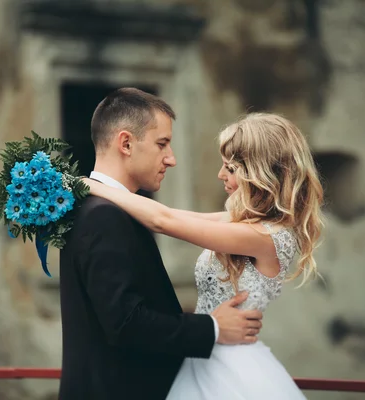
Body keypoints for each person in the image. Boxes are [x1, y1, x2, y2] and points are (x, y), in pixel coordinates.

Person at [83, 112, 324, 399]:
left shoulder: (266, 237)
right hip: (204, 356)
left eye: (231, 169)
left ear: (261, 174)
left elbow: (163, 222)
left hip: (232, 369)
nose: (221, 175)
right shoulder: (241, 223)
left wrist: (92, 186)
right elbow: (172, 215)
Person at [58, 88, 264, 400]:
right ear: (126, 143)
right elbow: (126, 323)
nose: (172, 159)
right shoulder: (103, 217)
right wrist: (213, 328)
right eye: (162, 144)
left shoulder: (98, 208)